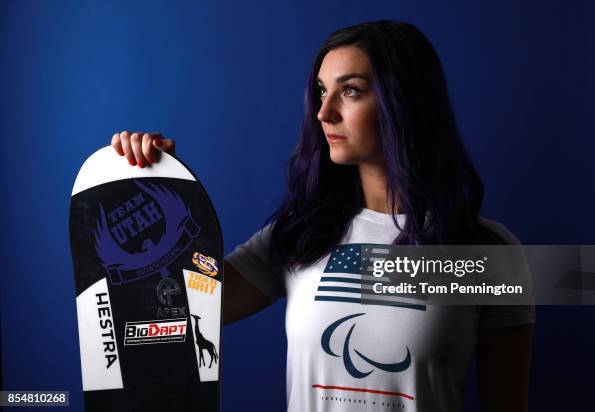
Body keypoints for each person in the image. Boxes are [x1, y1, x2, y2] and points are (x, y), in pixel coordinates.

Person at [111, 20, 534, 412]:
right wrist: (161, 196)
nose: (323, 111)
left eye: (350, 90)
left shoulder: (488, 253)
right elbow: (186, 304)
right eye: (321, 90)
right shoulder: (303, 233)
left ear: (404, 101)